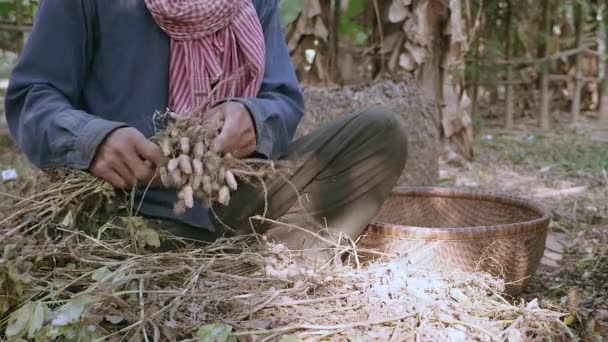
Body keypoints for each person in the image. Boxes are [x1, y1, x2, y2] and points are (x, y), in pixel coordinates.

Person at [5, 0, 407, 253]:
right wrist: (94, 139)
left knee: (380, 134)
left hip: (236, 202)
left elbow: (282, 100)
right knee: (119, 248)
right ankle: (242, 261)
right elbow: (32, 97)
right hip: (126, 212)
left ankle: (245, 260)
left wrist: (253, 116)